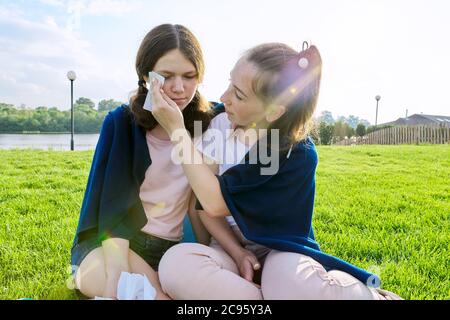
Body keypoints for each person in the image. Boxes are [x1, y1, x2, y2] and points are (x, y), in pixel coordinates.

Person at [150, 42, 402, 300]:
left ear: (273, 112)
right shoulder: (221, 125)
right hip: (228, 246)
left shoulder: (295, 153)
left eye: (238, 94)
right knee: (176, 265)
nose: (224, 97)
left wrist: (177, 132)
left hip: (280, 252)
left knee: (287, 283)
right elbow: (203, 205)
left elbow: (215, 201)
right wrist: (237, 253)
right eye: (229, 84)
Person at [70, 24, 213, 300]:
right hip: (112, 246)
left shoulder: (210, 124)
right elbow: (113, 209)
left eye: (189, 76)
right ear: (146, 76)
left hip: (171, 249)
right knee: (132, 291)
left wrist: (176, 129)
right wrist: (117, 276)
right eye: (167, 76)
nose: (179, 88)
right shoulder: (122, 123)